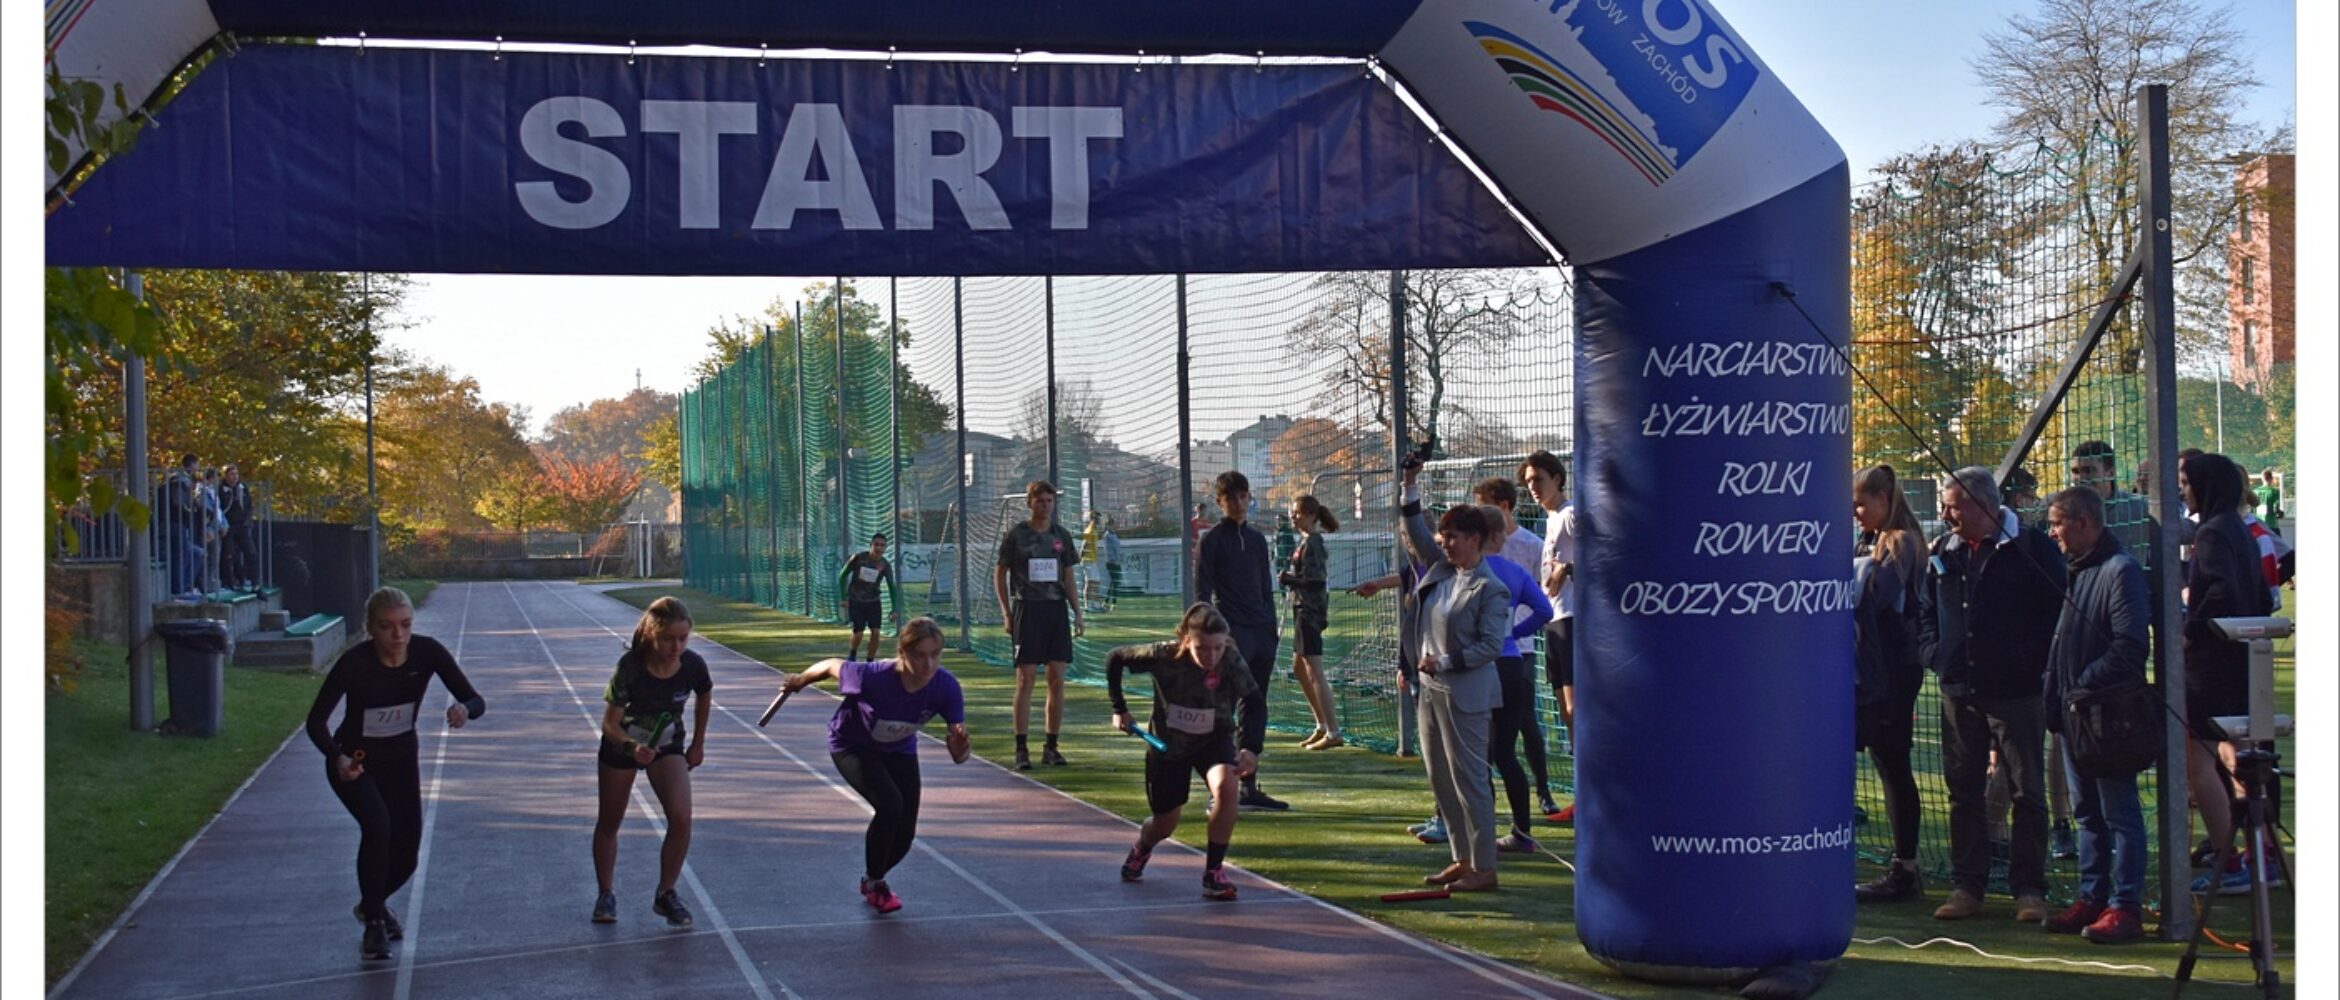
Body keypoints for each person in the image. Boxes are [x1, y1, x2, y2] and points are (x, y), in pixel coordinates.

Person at [306, 587, 486, 961]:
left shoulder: (427, 651)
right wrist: (338, 758)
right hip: (355, 764)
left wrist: (463, 711)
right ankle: (374, 923)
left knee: (407, 855)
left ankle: (372, 903)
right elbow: (316, 722)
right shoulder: (354, 663)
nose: (398, 636)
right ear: (371, 628)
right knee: (377, 828)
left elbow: (475, 700)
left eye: (405, 625)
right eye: (387, 627)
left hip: (402, 761)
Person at [1919, 467, 2065, 923]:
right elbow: (1924, 609)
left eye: (1952, 506)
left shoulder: (2034, 548)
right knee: (1962, 792)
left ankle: (2029, 889)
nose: (1944, 514)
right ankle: (1968, 886)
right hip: (1958, 689)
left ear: (1983, 506)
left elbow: (2055, 613)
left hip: (2018, 693)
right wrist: (1936, 654)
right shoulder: (1943, 550)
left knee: (2027, 791)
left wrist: (2027, 662)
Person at [780, 617, 970, 913]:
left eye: (935, 655)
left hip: (899, 749)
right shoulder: (873, 677)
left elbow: (960, 753)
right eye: (919, 655)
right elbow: (832, 664)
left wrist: (960, 751)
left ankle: (872, 876)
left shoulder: (946, 687)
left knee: (905, 833)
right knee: (890, 805)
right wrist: (800, 680)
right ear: (902, 652)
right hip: (852, 745)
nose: (928, 664)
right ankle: (876, 884)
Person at [2039, 487, 2152, 944]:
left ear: (2084, 523)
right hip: (2075, 715)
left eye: (2057, 523)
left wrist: (2084, 684)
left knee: (2119, 812)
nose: (2052, 533)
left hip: (2107, 717)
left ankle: (2125, 906)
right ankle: (2092, 895)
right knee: (2086, 812)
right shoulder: (2078, 570)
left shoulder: (2119, 570)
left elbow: (2130, 646)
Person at [1396, 455, 1510, 892]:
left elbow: (1489, 647)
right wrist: (1410, 484)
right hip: (1430, 692)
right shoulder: (1442, 570)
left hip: (1466, 695)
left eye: (1454, 537)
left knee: (1471, 783)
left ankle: (1485, 867)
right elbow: (1415, 532)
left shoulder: (1490, 588)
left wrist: (1443, 662)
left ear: (1476, 540)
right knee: (1441, 780)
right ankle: (1461, 860)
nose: (1444, 543)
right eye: (1443, 536)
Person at [1109, 604, 1262, 901]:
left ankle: (1213, 872)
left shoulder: (1230, 660)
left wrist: (1251, 748)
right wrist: (1120, 709)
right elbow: (1115, 658)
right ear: (1186, 640)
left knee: (1227, 786)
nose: (1211, 656)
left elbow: (1255, 703)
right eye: (1203, 648)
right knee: (1165, 823)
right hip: (1169, 747)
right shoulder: (1163, 655)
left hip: (1213, 740)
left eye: (1218, 648)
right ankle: (1143, 846)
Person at [2180, 453, 2275, 896]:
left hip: (2210, 665)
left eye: (2186, 481)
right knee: (2235, 753)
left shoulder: (2214, 532)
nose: (2182, 489)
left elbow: (2221, 593)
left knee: (2197, 762)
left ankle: (2229, 858)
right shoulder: (2239, 529)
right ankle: (2259, 853)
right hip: (2237, 660)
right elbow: (2257, 594)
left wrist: (2191, 626)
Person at [590, 596, 711, 927]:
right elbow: (609, 723)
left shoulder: (693, 665)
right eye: (669, 639)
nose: (676, 646)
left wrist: (698, 743)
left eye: (683, 638)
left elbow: (704, 694)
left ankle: (666, 893)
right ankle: (605, 893)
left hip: (667, 745)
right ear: (652, 635)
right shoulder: (630, 667)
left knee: (682, 817)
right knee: (610, 821)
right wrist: (631, 747)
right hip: (623, 746)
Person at [1851, 465, 1928, 904]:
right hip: (1876, 667)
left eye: (1862, 503)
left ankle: (1906, 869)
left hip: (1893, 671)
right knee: (1887, 764)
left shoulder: (1900, 542)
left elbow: (1875, 598)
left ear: (1884, 500)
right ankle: (1904, 867)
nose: (1857, 512)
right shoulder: (1869, 540)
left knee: (1893, 763)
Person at [1194, 471, 1288, 811]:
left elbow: (1265, 587)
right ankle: (1218, 784)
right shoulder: (1212, 540)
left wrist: (1271, 628)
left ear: (1249, 498)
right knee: (1223, 707)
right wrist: (1213, 635)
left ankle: (1248, 784)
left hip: (1262, 631)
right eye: (1230, 498)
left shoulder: (1259, 540)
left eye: (1242, 496)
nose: (1238, 504)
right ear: (1220, 502)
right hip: (1231, 634)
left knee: (1256, 702)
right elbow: (1202, 592)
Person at [1475, 476, 1561, 819]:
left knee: (1526, 721)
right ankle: (1497, 811)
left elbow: (1542, 600)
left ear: (1503, 506)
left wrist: (1515, 632)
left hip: (1515, 650)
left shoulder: (1529, 544)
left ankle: (1543, 791)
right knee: (1489, 736)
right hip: (1493, 652)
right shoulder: (1475, 555)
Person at [993, 480, 1084, 770]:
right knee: (1027, 678)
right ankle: (1021, 748)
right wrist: (1006, 612)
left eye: (1049, 501)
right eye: (1040, 501)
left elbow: (1068, 575)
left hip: (1055, 611)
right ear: (1029, 503)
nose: (1046, 506)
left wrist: (1077, 612)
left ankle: (1051, 746)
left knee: (1057, 678)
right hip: (1027, 610)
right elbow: (1000, 573)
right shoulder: (1017, 536)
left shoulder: (1061, 536)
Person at [1517, 450, 1579, 824]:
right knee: (1565, 712)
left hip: (1574, 619)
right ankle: (1581, 797)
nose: (1533, 488)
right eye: (1527, 482)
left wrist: (1567, 569)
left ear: (1558, 478)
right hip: (1555, 620)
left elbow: (1609, 552)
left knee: (1576, 710)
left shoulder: (1572, 514)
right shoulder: (1552, 519)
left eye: (1538, 479)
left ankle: (1593, 797)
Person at [1280, 495, 1344, 750]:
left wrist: (1289, 579)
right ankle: (1321, 724)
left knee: (1315, 671)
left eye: (1297, 513)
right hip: (1301, 608)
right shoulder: (1305, 541)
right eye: (1292, 513)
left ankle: (1334, 730)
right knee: (1298, 668)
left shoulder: (1314, 542)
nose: (1293, 517)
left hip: (1310, 610)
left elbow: (1316, 581)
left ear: (1309, 515)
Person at [838, 533, 900, 661]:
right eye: (876, 545)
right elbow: (842, 576)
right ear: (870, 545)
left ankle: (870, 661)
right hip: (856, 600)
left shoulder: (885, 565)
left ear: (885, 548)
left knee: (876, 632)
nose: (879, 548)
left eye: (882, 545)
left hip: (874, 602)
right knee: (859, 632)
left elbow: (892, 587)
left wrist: (894, 609)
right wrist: (843, 597)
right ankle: (853, 653)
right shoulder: (858, 558)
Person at [218, 463, 255, 589]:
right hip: (229, 525)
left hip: (243, 525)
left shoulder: (242, 487)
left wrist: (247, 520)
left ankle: (253, 581)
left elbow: (249, 505)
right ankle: (230, 581)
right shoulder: (221, 489)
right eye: (231, 474)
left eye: (236, 474)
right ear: (226, 476)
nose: (234, 477)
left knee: (250, 553)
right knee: (229, 554)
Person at [197, 468, 227, 594]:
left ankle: (209, 583)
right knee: (209, 558)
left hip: (216, 528)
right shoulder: (202, 493)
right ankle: (204, 584)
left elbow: (219, 512)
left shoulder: (213, 493)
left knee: (214, 558)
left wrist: (224, 524)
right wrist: (210, 528)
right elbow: (208, 512)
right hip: (209, 529)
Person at [1080, 509, 1105, 612]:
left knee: (1096, 582)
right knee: (1091, 582)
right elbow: (1084, 544)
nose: (1099, 521)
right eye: (1098, 518)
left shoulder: (1094, 530)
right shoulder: (1090, 530)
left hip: (1092, 560)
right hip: (1088, 560)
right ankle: (1088, 605)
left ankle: (1095, 604)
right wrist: (1081, 557)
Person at [1100, 516, 1123, 612]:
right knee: (1115, 582)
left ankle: (1106, 602)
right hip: (1112, 562)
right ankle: (1113, 603)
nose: (1115, 525)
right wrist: (1113, 560)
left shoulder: (1114, 535)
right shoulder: (1107, 536)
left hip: (1117, 561)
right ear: (1109, 525)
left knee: (1114, 582)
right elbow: (1108, 550)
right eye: (1113, 524)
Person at [2253, 468, 2283, 535]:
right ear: (2271, 478)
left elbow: (2252, 509)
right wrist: (2279, 513)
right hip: (2271, 524)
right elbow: (2275, 508)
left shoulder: (2255, 491)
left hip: (2258, 525)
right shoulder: (2274, 491)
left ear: (2262, 478)